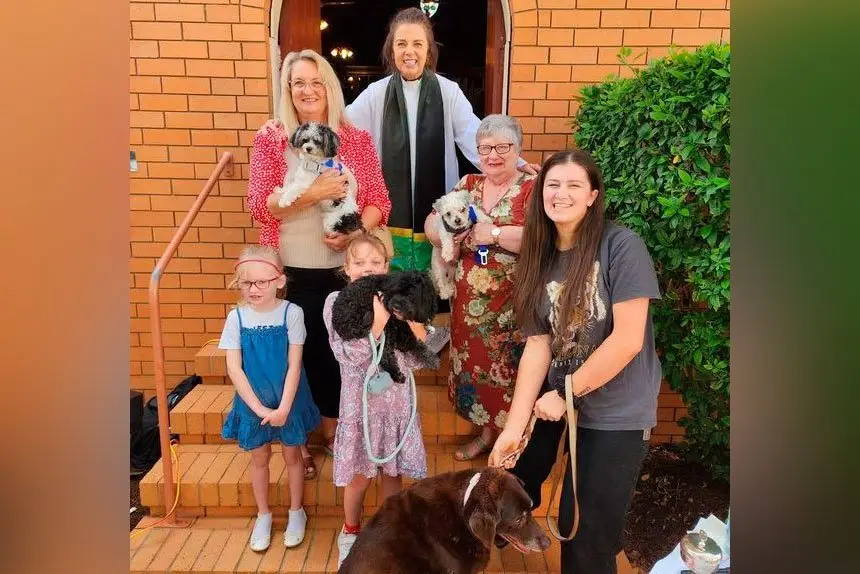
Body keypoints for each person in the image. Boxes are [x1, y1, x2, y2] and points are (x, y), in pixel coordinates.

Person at [487, 150, 663, 573]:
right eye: (552, 185)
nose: (560, 194)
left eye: (573, 185)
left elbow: (627, 340)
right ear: (539, 194)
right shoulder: (540, 255)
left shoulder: (621, 245)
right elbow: (538, 346)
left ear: (592, 196)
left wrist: (565, 392)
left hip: (616, 408)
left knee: (586, 533)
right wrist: (513, 428)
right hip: (562, 394)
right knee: (515, 476)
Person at [247, 49, 392, 479]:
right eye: (297, 83)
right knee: (299, 354)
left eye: (315, 81)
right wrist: (312, 193)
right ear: (287, 91)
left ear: (330, 86)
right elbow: (260, 205)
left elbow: (379, 202)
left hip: (342, 269)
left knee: (338, 354)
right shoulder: (273, 137)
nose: (307, 91)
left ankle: (333, 430)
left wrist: (353, 232)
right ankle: (301, 438)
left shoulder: (356, 139)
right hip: (292, 269)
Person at [347, 7, 539, 272]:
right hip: (390, 212)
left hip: (438, 212)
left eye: (417, 43)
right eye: (401, 44)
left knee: (437, 284)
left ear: (429, 51)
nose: (409, 51)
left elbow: (475, 137)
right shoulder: (375, 95)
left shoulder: (448, 92)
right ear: (392, 50)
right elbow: (341, 133)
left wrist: (517, 163)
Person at [423, 114, 535, 461]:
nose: (494, 155)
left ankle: (515, 442)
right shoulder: (468, 183)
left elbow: (541, 237)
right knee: (476, 369)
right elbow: (432, 220)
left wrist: (495, 234)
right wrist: (444, 235)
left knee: (513, 372)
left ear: (518, 148)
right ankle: (487, 436)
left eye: (504, 146)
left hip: (513, 301)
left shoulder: (532, 186)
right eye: (486, 147)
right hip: (467, 303)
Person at [322, 234, 428, 568]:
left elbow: (413, 360)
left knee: (392, 474)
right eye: (359, 262)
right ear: (346, 268)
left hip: (396, 404)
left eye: (375, 262)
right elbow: (350, 356)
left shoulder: (398, 299)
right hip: (360, 406)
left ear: (386, 266)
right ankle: (350, 530)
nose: (368, 269)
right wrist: (378, 324)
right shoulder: (337, 302)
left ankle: (389, 532)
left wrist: (418, 331)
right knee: (359, 475)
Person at [219, 246, 321, 551]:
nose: (254, 289)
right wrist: (260, 408)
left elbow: (295, 364)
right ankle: (263, 514)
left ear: (279, 280)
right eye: (247, 283)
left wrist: (284, 408)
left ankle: (295, 511)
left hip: (289, 398)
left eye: (262, 282)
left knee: (293, 456)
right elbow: (234, 369)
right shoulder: (236, 318)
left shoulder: (292, 313)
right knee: (259, 457)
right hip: (253, 402)